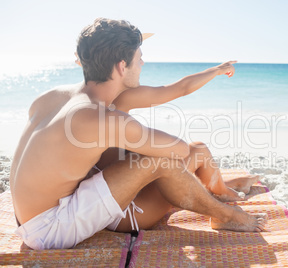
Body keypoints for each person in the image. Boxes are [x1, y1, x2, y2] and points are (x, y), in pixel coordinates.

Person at [9, 18, 267, 250]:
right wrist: (136, 142)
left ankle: (218, 191)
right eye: (139, 57)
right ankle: (227, 215)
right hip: (49, 228)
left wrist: (216, 69)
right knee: (156, 160)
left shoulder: (53, 97)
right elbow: (178, 151)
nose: (142, 63)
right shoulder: (100, 118)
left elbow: (176, 90)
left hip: (35, 215)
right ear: (122, 66)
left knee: (171, 154)